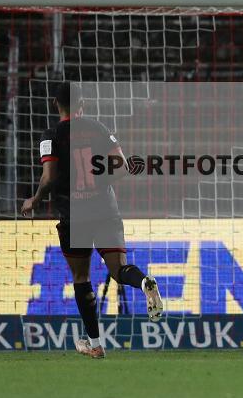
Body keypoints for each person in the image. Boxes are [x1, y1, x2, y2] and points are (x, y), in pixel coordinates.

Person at [21, 83, 164, 359]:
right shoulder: (99, 128)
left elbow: (48, 177)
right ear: (82, 104)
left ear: (55, 104)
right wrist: (97, 184)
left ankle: (96, 344)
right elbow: (122, 167)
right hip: (105, 210)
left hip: (74, 216)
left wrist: (35, 200)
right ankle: (144, 282)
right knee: (119, 270)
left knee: (81, 277)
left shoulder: (51, 136)